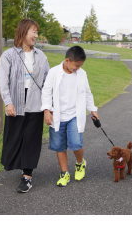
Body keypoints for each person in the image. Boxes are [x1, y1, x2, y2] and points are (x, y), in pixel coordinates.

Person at [0, 18, 50, 193]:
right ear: (23, 32)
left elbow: (47, 82)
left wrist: (47, 107)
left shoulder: (41, 56)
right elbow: (3, 81)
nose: (36, 35)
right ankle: (19, 164)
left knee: (32, 140)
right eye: (33, 31)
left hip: (36, 103)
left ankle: (27, 176)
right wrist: (8, 102)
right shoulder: (8, 55)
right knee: (14, 138)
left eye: (36, 32)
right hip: (16, 102)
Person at [41, 46, 99, 187]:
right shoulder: (54, 72)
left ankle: (80, 163)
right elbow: (46, 91)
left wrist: (92, 110)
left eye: (80, 66)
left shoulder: (82, 74)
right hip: (58, 115)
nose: (78, 68)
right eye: (76, 65)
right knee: (59, 146)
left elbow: (87, 93)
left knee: (76, 143)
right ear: (67, 60)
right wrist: (46, 110)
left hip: (74, 114)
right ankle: (64, 173)